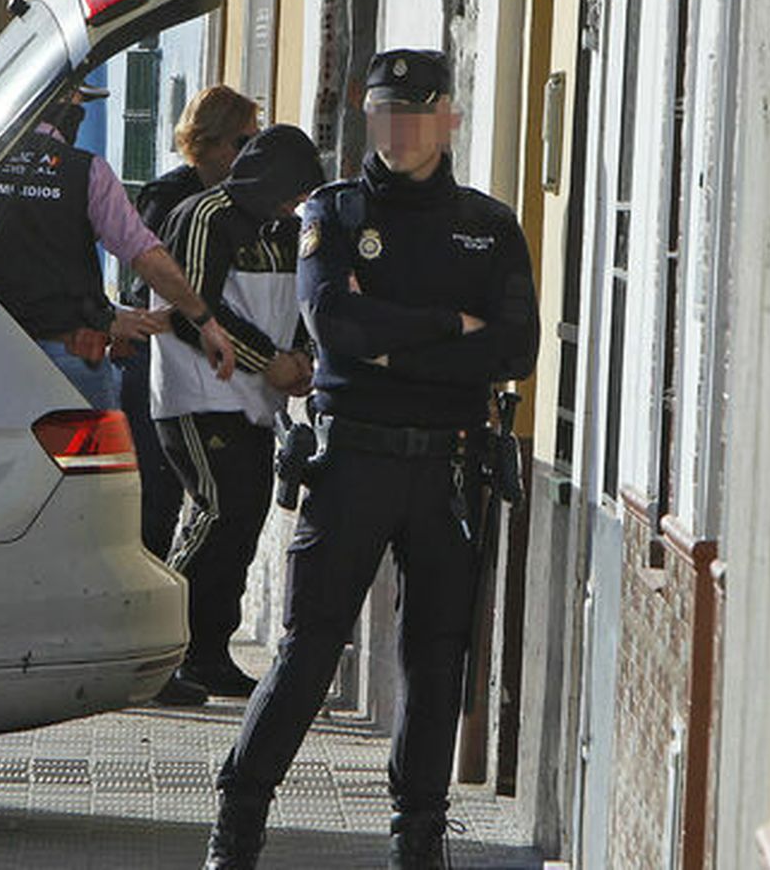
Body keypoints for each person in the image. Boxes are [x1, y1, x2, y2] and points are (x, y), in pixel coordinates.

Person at [201, 50, 538, 870]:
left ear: (447, 118)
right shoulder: (336, 212)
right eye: (386, 113)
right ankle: (237, 825)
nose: (400, 129)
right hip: (352, 460)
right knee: (309, 649)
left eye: (416, 112)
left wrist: (389, 340)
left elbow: (515, 349)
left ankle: (417, 837)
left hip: (447, 468)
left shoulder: (489, 226)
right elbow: (333, 327)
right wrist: (450, 327)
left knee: (437, 657)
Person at [148, 125, 324, 708]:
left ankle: (207, 652)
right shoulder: (206, 217)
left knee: (242, 520)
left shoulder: (288, 230)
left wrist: (301, 357)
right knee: (216, 512)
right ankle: (158, 648)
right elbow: (191, 309)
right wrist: (268, 359)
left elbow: (300, 302)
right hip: (199, 393)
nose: (295, 204)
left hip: (255, 399)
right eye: (291, 192)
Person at [0, 85, 237, 409]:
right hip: (72, 352)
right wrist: (204, 320)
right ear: (63, 109)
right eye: (78, 102)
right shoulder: (86, 170)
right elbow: (144, 254)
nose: (80, 112)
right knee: (91, 443)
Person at [122, 85, 259, 567]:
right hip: (162, 364)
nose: (251, 154)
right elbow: (146, 288)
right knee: (156, 501)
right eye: (244, 142)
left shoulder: (243, 204)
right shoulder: (169, 198)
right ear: (212, 140)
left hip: (217, 369)